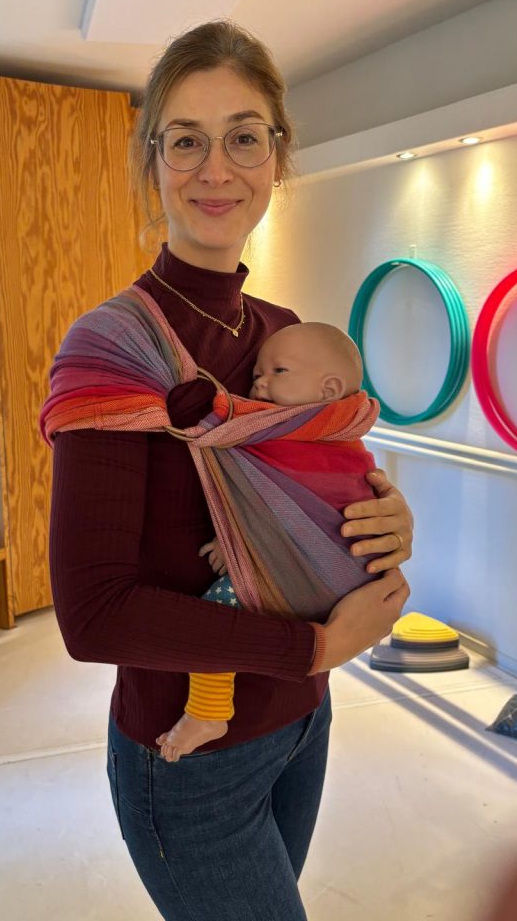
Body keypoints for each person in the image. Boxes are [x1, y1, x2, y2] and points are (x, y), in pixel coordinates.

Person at [46, 20, 412, 921]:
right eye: (186, 141)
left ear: (277, 157)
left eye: (244, 137)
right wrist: (314, 647)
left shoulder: (284, 333)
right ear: (152, 161)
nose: (217, 169)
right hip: (190, 762)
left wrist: (386, 516)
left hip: (304, 722)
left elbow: (319, 481)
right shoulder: (113, 348)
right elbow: (92, 616)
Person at [156, 321, 382, 762]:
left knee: (214, 617)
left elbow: (309, 507)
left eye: (278, 371)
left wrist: (243, 550)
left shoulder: (310, 438)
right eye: (257, 373)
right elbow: (261, 496)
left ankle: (207, 711)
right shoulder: (322, 430)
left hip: (329, 569)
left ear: (329, 389)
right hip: (338, 579)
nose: (259, 382)